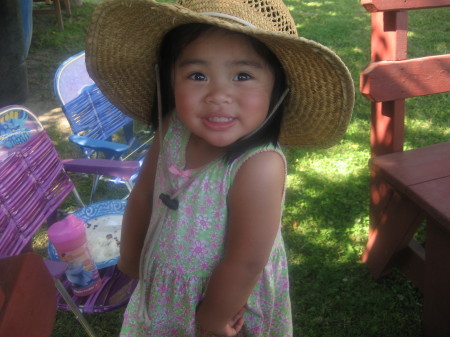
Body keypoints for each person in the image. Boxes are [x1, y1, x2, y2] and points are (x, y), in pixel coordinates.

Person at [85, 0, 354, 336]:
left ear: (277, 90)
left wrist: (213, 318)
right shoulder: (172, 129)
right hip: (165, 285)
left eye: (243, 75)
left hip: (224, 300)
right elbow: (143, 194)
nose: (218, 94)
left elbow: (245, 262)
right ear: (169, 80)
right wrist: (131, 256)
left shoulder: (259, 166)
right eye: (197, 75)